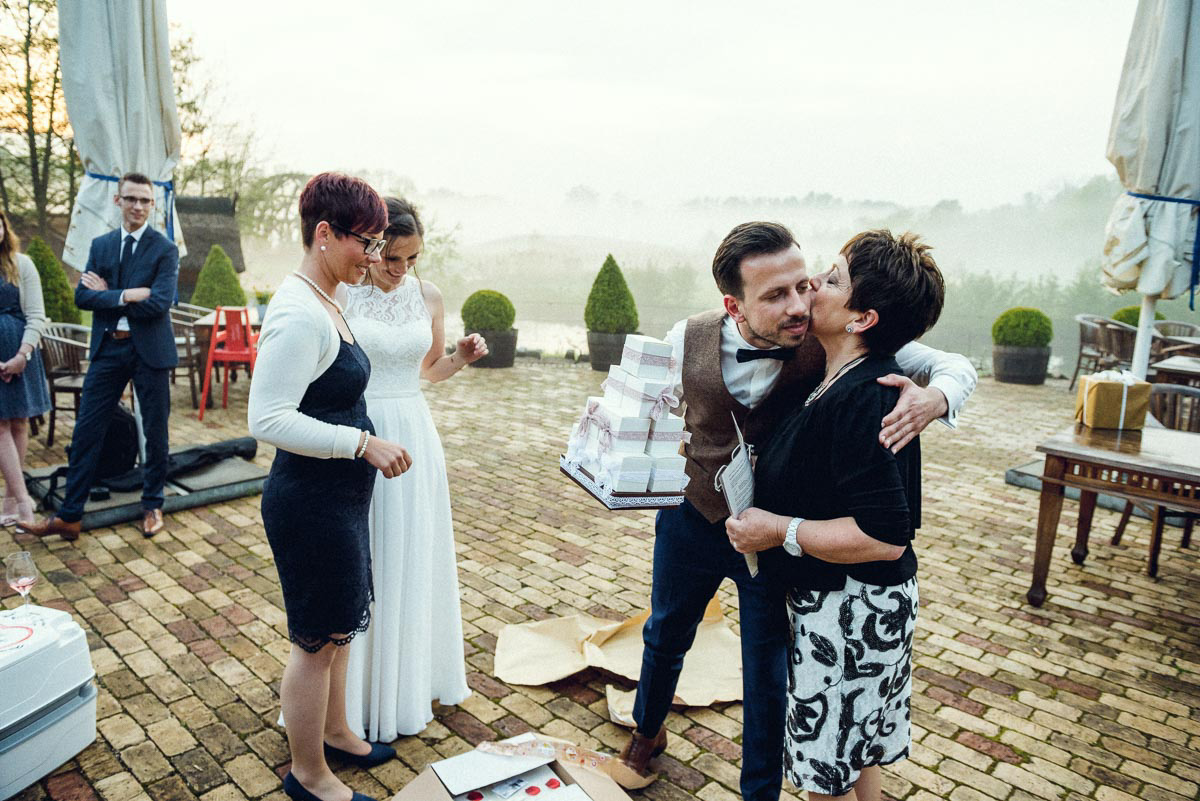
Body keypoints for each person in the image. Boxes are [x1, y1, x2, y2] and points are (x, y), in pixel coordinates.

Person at [616, 221, 977, 801]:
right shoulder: (687, 336)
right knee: (664, 633)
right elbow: (643, 411)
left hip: (777, 541)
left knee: (767, 668)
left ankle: (759, 792)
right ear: (733, 304)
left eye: (804, 284)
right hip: (693, 517)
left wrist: (936, 397)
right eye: (776, 295)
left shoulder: (841, 336)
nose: (799, 302)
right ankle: (645, 730)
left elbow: (953, 365)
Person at [725, 230, 945, 801]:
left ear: (861, 319)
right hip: (852, 607)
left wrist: (778, 530)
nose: (814, 288)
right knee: (855, 752)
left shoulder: (864, 396)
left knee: (826, 776)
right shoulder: (837, 379)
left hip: (850, 616)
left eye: (832, 279)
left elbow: (884, 536)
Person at [248, 172, 413, 801]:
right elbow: (265, 419)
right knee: (314, 642)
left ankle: (339, 732)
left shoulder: (326, 297)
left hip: (340, 498)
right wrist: (362, 443)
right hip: (308, 502)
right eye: (366, 244)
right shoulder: (297, 314)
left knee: (341, 626)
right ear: (324, 234)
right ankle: (309, 774)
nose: (372, 258)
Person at [339, 197, 486, 740]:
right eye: (393, 259)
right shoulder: (343, 291)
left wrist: (462, 359)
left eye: (413, 259)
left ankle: (405, 681)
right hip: (359, 426)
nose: (402, 270)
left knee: (409, 552)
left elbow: (430, 370)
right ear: (372, 248)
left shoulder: (428, 295)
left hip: (413, 427)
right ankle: (348, 695)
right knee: (363, 552)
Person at [18, 172, 178, 540]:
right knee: (88, 429)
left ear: (152, 205)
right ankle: (69, 516)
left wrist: (111, 294)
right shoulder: (102, 246)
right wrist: (126, 294)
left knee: (155, 431)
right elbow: (83, 298)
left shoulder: (164, 249)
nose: (138, 206)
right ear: (117, 201)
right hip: (109, 349)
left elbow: (159, 302)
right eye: (131, 199)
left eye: (145, 200)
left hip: (150, 351)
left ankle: (153, 504)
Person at [0, 210, 51, 526]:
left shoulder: (23, 264)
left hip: (21, 354)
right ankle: (23, 502)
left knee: (19, 422)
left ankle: (8, 500)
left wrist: (23, 354)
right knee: (0, 426)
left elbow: (36, 315)